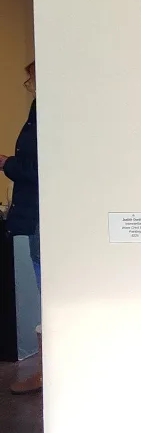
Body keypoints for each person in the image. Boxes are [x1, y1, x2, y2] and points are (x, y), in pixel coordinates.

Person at [1, 61, 41, 394]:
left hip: (44, 217)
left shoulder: (47, 108)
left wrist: (6, 164)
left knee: (49, 297)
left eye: (30, 79)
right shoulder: (39, 107)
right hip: (38, 215)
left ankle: (47, 373)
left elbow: (43, 166)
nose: (30, 86)